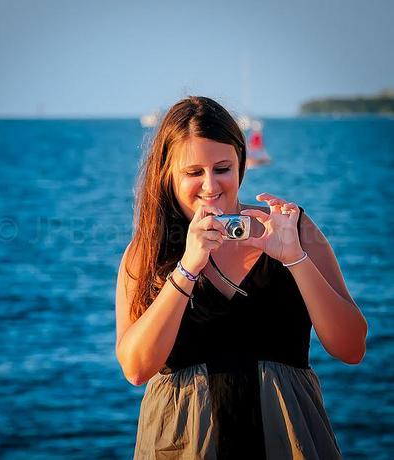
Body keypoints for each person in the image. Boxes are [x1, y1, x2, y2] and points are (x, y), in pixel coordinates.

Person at [115, 96, 368, 459]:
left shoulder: (292, 228)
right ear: (168, 173)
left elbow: (352, 347)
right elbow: (136, 368)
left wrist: (295, 258)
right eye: (193, 172)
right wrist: (188, 267)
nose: (210, 185)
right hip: (182, 447)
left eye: (222, 168)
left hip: (289, 442)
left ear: (241, 165)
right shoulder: (148, 250)